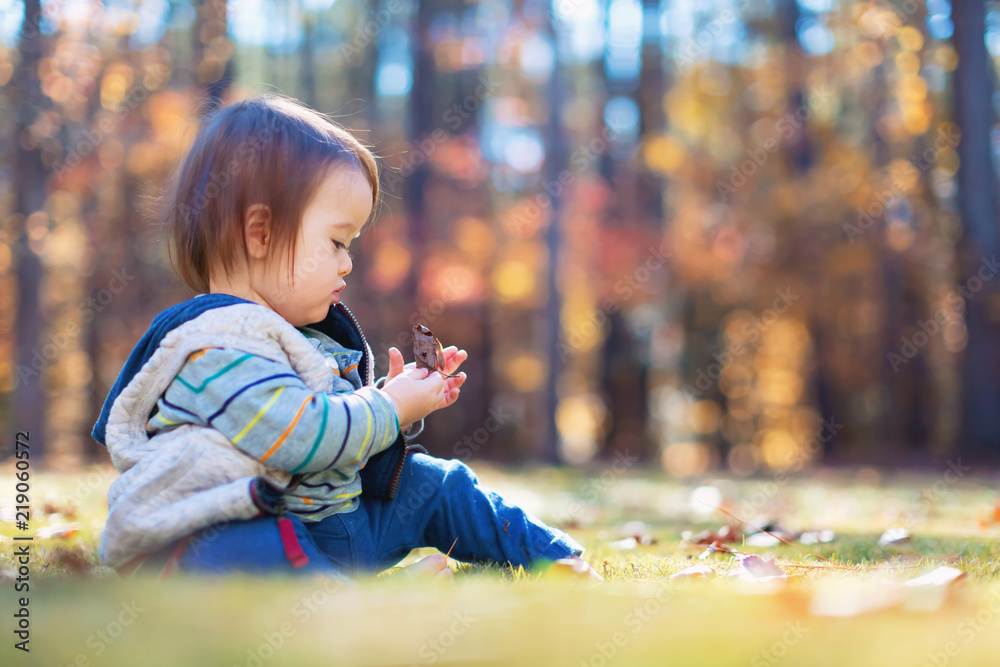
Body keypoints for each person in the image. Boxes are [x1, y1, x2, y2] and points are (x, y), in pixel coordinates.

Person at [91, 93, 601, 582]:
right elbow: (300, 439)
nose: (347, 262)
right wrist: (389, 409)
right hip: (253, 532)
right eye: (336, 241)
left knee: (439, 485)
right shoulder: (216, 348)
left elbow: (333, 430)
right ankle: (359, 603)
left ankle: (558, 560)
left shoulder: (296, 335)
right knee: (258, 548)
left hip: (336, 528)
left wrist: (390, 399)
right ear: (260, 233)